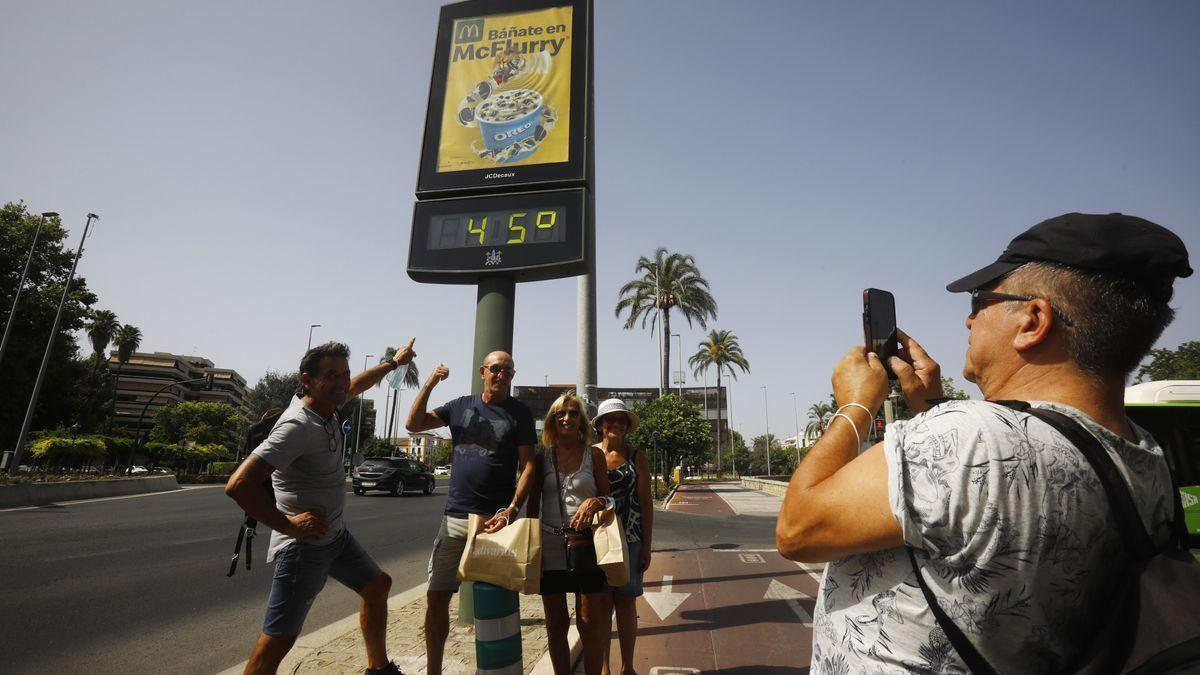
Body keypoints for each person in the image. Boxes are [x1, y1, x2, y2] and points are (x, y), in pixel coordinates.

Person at [776, 212, 1192, 673]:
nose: (969, 320)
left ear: (1033, 320)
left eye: (982, 301)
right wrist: (930, 407)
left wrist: (855, 404)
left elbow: (798, 530)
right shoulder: (1147, 455)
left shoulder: (968, 438)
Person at [226, 339, 416, 675]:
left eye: (344, 373)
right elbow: (239, 485)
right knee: (279, 639)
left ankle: (378, 668)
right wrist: (288, 525)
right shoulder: (297, 425)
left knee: (377, 585)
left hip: (336, 537)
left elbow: (359, 383)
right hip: (304, 548)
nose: (342, 382)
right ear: (307, 380)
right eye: (331, 375)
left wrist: (393, 363)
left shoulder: (330, 407)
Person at [405, 350, 538, 674]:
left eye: (508, 370)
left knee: (499, 601)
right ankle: (433, 670)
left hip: (497, 524)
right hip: (455, 519)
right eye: (496, 368)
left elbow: (530, 464)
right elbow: (413, 424)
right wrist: (431, 383)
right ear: (483, 371)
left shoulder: (519, 413)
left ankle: (500, 668)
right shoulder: (460, 406)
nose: (502, 374)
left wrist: (511, 509)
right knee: (437, 598)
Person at [531, 390, 613, 675]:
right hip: (550, 546)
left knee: (589, 622)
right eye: (561, 414)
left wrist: (595, 501)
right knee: (555, 622)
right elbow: (531, 503)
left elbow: (610, 499)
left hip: (586, 545)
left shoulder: (594, 455)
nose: (567, 418)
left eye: (573, 413)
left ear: (582, 420)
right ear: (553, 421)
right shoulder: (542, 457)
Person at [592, 398, 652, 675]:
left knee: (626, 604)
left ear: (627, 426)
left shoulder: (637, 456)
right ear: (601, 424)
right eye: (610, 419)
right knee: (602, 605)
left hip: (631, 539)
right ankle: (604, 668)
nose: (615, 423)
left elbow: (646, 502)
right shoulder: (590, 455)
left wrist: (647, 547)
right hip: (599, 542)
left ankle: (628, 667)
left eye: (621, 419)